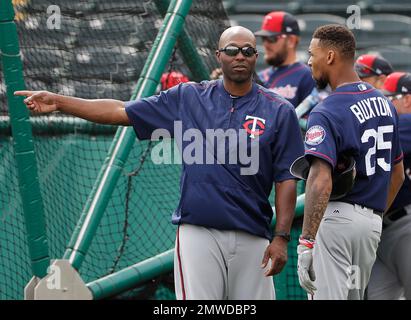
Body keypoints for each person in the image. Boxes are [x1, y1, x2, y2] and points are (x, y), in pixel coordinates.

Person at [15, 26, 305, 300]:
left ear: (256, 57)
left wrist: (280, 237)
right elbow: (120, 111)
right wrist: (60, 101)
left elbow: (286, 180)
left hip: (253, 233)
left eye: (247, 50)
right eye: (231, 50)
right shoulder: (189, 96)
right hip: (198, 232)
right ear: (219, 56)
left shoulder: (279, 110)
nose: (239, 56)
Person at [290, 24, 405, 300]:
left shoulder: (327, 109)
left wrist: (305, 241)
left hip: (336, 222)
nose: (308, 61)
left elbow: (320, 179)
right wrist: (372, 217)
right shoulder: (384, 103)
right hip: (371, 226)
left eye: (312, 53)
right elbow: (397, 175)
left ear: (330, 56)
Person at [367, 72, 411, 300]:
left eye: (389, 98)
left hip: (405, 226)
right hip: (382, 229)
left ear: (408, 100)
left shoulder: (405, 122)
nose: (385, 105)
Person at [254, 11, 315, 107]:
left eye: (272, 39)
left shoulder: (307, 76)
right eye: (263, 39)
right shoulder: (259, 76)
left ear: (291, 41)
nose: (265, 44)